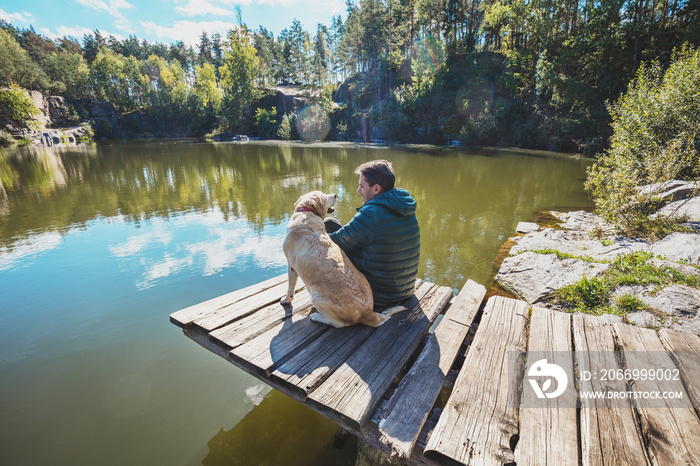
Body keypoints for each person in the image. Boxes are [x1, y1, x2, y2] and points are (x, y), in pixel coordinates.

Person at [326, 160, 420, 309]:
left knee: (327, 227)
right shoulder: (404, 206)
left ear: (376, 189)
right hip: (404, 291)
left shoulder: (372, 214)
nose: (358, 191)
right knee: (332, 223)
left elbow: (331, 243)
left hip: (377, 297)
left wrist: (307, 226)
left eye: (361, 186)